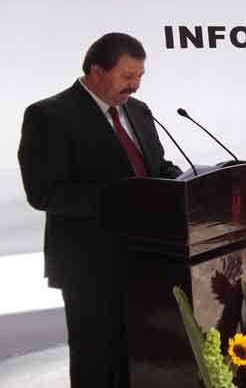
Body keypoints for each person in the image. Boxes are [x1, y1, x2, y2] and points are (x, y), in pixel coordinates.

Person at [18, 33, 181, 388]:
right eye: (127, 76)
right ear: (96, 70)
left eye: (140, 76)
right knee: (97, 361)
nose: (135, 85)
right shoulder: (49, 115)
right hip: (89, 265)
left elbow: (156, 167)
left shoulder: (138, 110)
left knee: (144, 356)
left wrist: (186, 180)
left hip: (150, 258)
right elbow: (44, 193)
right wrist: (121, 198)